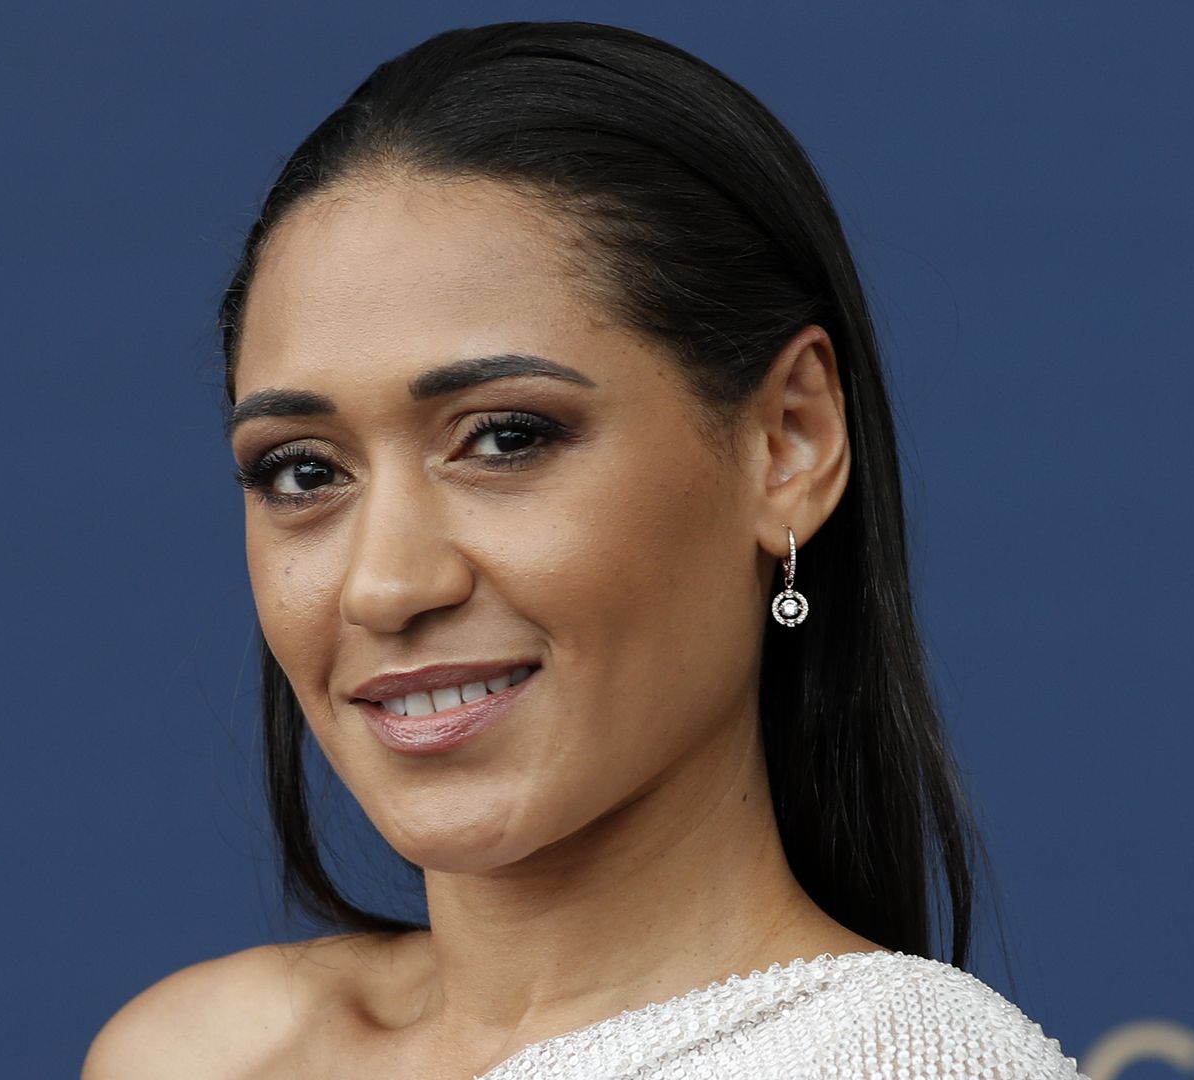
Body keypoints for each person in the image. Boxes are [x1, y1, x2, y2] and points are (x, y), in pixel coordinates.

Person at [85, 20, 1086, 1079]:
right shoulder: (197, 1053)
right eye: (304, 471)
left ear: (789, 441)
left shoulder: (907, 1063)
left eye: (507, 439)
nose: (383, 585)